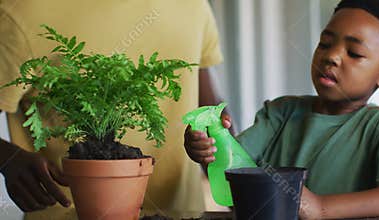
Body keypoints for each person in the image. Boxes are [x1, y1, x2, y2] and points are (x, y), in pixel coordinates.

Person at [184, 0, 379, 219]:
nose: (332, 57)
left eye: (354, 53)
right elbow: (232, 172)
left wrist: (321, 207)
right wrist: (207, 146)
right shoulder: (279, 112)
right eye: (325, 44)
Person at [0, 0, 223, 219]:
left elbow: (210, 111)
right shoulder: (22, 9)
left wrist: (234, 181)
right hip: (66, 210)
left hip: (181, 213)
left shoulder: (192, 5)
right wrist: (8, 158)